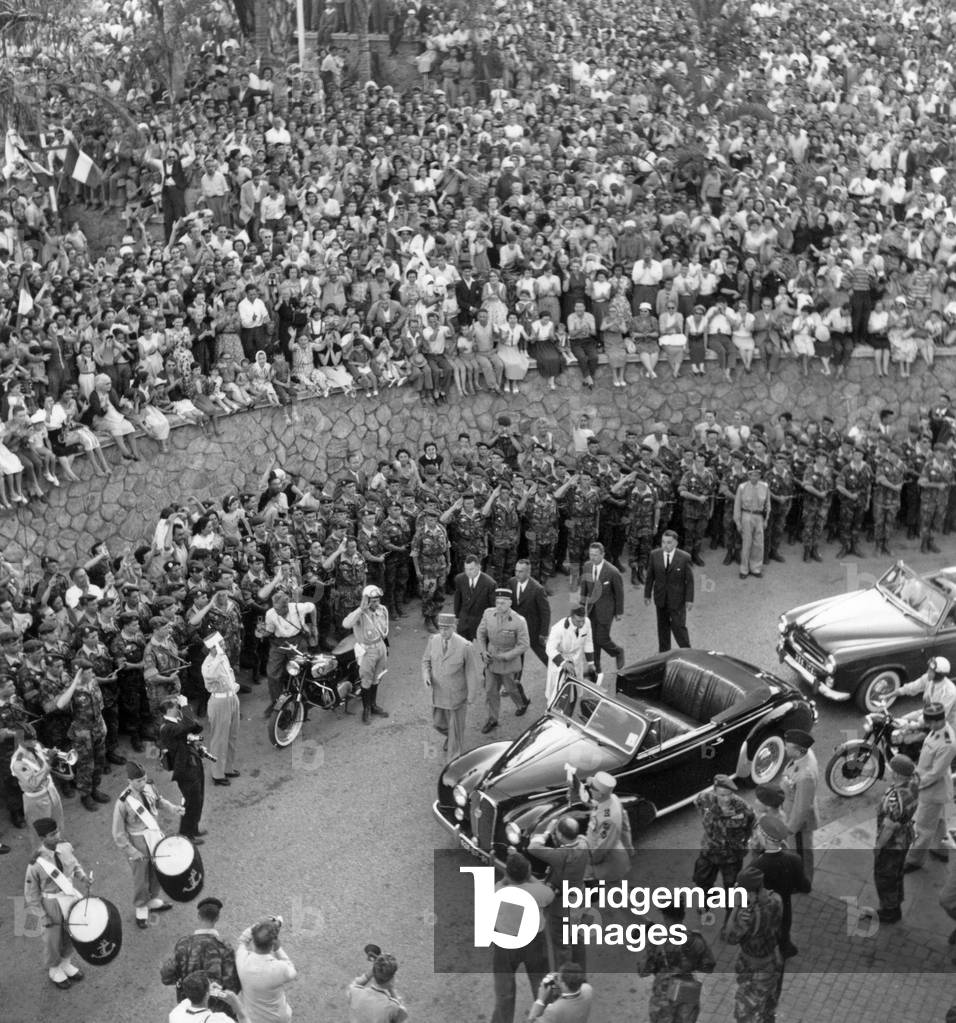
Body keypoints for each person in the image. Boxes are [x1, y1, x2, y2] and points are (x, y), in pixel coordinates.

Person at [112, 759, 182, 927]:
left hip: (154, 834)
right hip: (138, 841)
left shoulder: (150, 787)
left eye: (144, 779)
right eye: (138, 781)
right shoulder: (123, 802)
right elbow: (118, 833)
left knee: (157, 870)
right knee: (141, 877)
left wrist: (173, 808)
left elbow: (158, 801)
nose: (143, 783)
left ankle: (152, 899)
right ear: (130, 781)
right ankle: (141, 908)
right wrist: (131, 851)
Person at [23, 817, 89, 989]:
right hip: (51, 903)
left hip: (70, 896)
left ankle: (66, 962)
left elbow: (74, 865)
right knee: (53, 939)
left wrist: (82, 876)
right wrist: (41, 915)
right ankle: (54, 969)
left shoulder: (65, 847)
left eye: (57, 831)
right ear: (43, 838)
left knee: (72, 932)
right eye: (52, 834)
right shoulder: (35, 864)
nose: (57, 835)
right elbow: (31, 894)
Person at [489, 852, 554, 1023]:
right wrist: (529, 875)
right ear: (527, 873)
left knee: (504, 990)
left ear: (509, 874)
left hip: (505, 943)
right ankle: (544, 1017)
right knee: (540, 982)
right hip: (534, 943)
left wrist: (507, 877)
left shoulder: (499, 890)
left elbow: (502, 882)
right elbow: (548, 894)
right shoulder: (538, 892)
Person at [527, 817, 591, 969]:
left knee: (561, 946)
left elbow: (533, 846)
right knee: (577, 939)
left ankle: (566, 980)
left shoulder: (561, 855)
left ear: (561, 835)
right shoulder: (584, 842)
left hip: (562, 906)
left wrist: (548, 831)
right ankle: (580, 974)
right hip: (579, 898)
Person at [639, 900, 715, 1023]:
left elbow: (643, 971)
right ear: (683, 916)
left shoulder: (657, 941)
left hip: (664, 995)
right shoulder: (696, 940)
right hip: (687, 992)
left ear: (665, 917)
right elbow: (709, 966)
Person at [724, 866, 783, 1023]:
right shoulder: (776, 899)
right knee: (767, 1010)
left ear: (749, 893)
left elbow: (729, 938)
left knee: (745, 1015)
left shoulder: (747, 916)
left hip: (754, 972)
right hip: (772, 963)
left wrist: (736, 908)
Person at [747, 814, 812, 958]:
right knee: (784, 926)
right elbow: (805, 886)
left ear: (763, 838)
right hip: (785, 903)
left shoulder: (756, 865)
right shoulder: (794, 859)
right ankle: (785, 948)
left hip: (764, 907)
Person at [422, 612, 481, 763]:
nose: (443, 632)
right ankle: (451, 736)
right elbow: (426, 661)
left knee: (456, 732)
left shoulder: (465, 646)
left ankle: (454, 764)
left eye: (447, 629)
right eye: (441, 628)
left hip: (457, 696)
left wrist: (471, 696)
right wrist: (427, 676)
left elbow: (472, 672)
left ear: (454, 627)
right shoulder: (433, 640)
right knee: (438, 724)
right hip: (439, 694)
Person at [161, 897, 240, 1009]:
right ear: (217, 918)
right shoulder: (225, 948)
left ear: (198, 916)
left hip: (188, 1004)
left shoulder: (183, 944)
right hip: (215, 1010)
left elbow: (166, 976)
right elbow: (233, 986)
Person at [905, 703, 956, 873]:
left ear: (938, 720)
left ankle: (914, 860)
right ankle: (940, 849)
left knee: (923, 828)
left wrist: (915, 784)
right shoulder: (937, 730)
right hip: (931, 785)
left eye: (930, 722)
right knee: (938, 820)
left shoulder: (948, 743)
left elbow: (935, 774)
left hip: (932, 790)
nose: (928, 726)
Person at [870, 755, 919, 923]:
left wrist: (879, 846)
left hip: (892, 843)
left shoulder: (894, 799)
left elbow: (889, 827)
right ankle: (895, 905)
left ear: (897, 774)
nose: (890, 772)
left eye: (892, 770)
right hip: (904, 838)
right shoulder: (912, 785)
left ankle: (890, 911)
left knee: (884, 877)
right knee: (896, 874)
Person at [692, 775, 756, 902]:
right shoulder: (705, 798)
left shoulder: (742, 807)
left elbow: (752, 825)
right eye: (722, 795)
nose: (726, 799)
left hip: (732, 855)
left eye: (729, 794)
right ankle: (708, 899)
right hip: (710, 850)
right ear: (714, 791)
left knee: (731, 886)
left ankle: (730, 909)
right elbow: (697, 804)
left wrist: (744, 842)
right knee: (701, 879)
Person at [475, 588, 531, 733]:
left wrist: (508, 656)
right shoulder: (488, 614)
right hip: (492, 660)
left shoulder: (519, 621)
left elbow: (524, 644)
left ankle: (522, 703)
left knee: (511, 688)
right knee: (490, 691)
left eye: (503, 603)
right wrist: (483, 651)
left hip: (509, 661)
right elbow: (480, 633)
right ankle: (492, 719)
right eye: (497, 602)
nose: (499, 606)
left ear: (510, 603)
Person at [158, 696, 207, 843]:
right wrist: (185, 707)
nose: (178, 708)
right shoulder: (167, 727)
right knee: (191, 802)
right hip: (184, 770)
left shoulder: (178, 721)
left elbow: (197, 727)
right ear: (169, 710)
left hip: (193, 762)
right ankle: (187, 835)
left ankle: (194, 828)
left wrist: (187, 713)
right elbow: (188, 725)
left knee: (198, 799)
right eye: (176, 706)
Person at [262, 590, 318, 712]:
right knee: (272, 674)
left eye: (280, 609)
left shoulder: (298, 608)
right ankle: (277, 703)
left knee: (301, 672)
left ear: (286, 606)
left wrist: (314, 626)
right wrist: (261, 632)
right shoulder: (270, 614)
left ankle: (304, 701)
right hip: (279, 643)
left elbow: (313, 608)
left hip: (297, 640)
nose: (277, 612)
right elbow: (269, 631)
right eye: (275, 608)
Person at [342, 585, 391, 724]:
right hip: (367, 650)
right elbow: (346, 624)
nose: (376, 603)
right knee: (366, 680)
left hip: (380, 646)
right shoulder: (360, 614)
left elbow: (385, 629)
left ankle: (373, 705)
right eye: (372, 601)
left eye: (377, 600)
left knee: (376, 678)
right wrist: (360, 609)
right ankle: (366, 709)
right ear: (366, 600)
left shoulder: (383, 610)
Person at [236, 916, 297, 1023]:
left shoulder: (242, 959)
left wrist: (258, 926)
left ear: (254, 940)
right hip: (277, 1019)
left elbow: (242, 941)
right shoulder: (280, 968)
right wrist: (278, 948)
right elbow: (292, 970)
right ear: (273, 944)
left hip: (252, 1019)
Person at [200, 633, 241, 785]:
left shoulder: (223, 657)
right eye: (220, 643)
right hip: (219, 701)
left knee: (232, 736)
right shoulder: (208, 663)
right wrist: (217, 655)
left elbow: (229, 674)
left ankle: (228, 768)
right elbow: (210, 675)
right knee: (219, 739)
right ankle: (217, 774)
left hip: (232, 697)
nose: (224, 645)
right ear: (213, 647)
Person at [643, 531, 694, 651]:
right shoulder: (654, 555)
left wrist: (689, 600)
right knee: (662, 628)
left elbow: (690, 581)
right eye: (663, 542)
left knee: (678, 627)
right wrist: (647, 595)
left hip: (677, 599)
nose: (665, 545)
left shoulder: (684, 558)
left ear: (675, 543)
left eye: (669, 542)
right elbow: (650, 577)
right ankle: (664, 655)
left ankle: (687, 652)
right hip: (661, 598)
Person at [578, 543, 624, 673]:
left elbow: (619, 593)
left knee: (601, 639)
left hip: (606, 611)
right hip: (592, 610)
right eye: (591, 554)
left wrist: (619, 612)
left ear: (602, 555)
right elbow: (584, 587)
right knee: (593, 640)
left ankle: (617, 652)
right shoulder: (587, 566)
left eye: (595, 555)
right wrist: (581, 606)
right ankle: (596, 669)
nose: (592, 558)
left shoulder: (612, 572)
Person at [579, 771, 632, 883]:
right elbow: (625, 826)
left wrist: (588, 861)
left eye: (592, 788)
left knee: (615, 893)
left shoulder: (608, 820)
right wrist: (628, 846)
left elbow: (601, 848)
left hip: (609, 863)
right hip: (614, 855)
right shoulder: (612, 798)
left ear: (600, 794)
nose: (590, 790)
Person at [781, 729, 819, 882]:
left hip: (799, 825)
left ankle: (803, 882)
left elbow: (802, 807)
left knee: (801, 855)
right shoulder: (803, 757)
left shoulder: (805, 775)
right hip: (792, 811)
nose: (784, 748)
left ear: (798, 751)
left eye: (787, 746)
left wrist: (790, 828)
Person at [10, 723, 63, 830]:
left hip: (50, 789)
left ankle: (57, 841)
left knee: (58, 821)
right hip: (37, 798)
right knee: (43, 830)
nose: (35, 742)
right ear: (21, 741)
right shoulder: (18, 761)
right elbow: (33, 783)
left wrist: (51, 755)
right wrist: (50, 763)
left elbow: (42, 762)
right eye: (30, 740)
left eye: (35, 738)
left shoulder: (36, 746)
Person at [544, 608, 595, 704]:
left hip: (576, 659)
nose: (581, 624)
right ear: (571, 617)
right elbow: (549, 648)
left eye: (583, 621)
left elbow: (588, 641)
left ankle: (571, 701)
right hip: (561, 660)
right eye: (578, 621)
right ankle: (553, 706)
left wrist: (591, 663)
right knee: (557, 689)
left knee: (574, 688)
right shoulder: (558, 628)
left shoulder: (587, 622)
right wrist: (563, 663)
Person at [508, 559, 551, 669]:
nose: (517, 574)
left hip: (533, 630)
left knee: (545, 656)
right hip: (516, 630)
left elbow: (545, 612)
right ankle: (516, 683)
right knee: (517, 658)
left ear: (528, 572)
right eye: (516, 571)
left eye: (521, 571)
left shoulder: (537, 589)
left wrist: (543, 633)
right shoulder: (512, 582)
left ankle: (559, 673)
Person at [347, 952, 408, 1023]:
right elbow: (401, 1015)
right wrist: (391, 988)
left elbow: (354, 985)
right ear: (392, 979)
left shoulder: (355, 992)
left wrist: (370, 974)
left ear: (374, 973)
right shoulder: (393, 1007)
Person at [734, 465, 771, 580]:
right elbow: (737, 506)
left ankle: (756, 568)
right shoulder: (742, 487)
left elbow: (767, 504)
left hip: (759, 516)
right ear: (748, 475)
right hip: (747, 515)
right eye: (751, 474)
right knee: (747, 543)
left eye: (757, 474)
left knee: (759, 544)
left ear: (760, 475)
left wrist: (766, 519)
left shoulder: (764, 487)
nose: (754, 477)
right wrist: (738, 522)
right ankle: (744, 569)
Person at [169, 970, 248, 1023]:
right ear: (207, 994)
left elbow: (189, 998)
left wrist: (207, 990)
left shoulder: (175, 1013)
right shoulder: (219, 1020)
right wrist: (237, 1006)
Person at [525, 961, 593, 1023]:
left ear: (564, 984)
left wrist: (540, 1000)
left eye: (558, 978)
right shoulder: (588, 989)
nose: (556, 978)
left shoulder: (553, 1010)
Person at [452, 554, 497, 641]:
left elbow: (493, 606)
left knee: (484, 651)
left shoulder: (490, 584)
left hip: (480, 621)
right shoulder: (460, 579)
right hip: (464, 621)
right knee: (463, 648)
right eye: (466, 569)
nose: (468, 572)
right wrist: (457, 616)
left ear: (479, 567)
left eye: (471, 569)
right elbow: (458, 599)